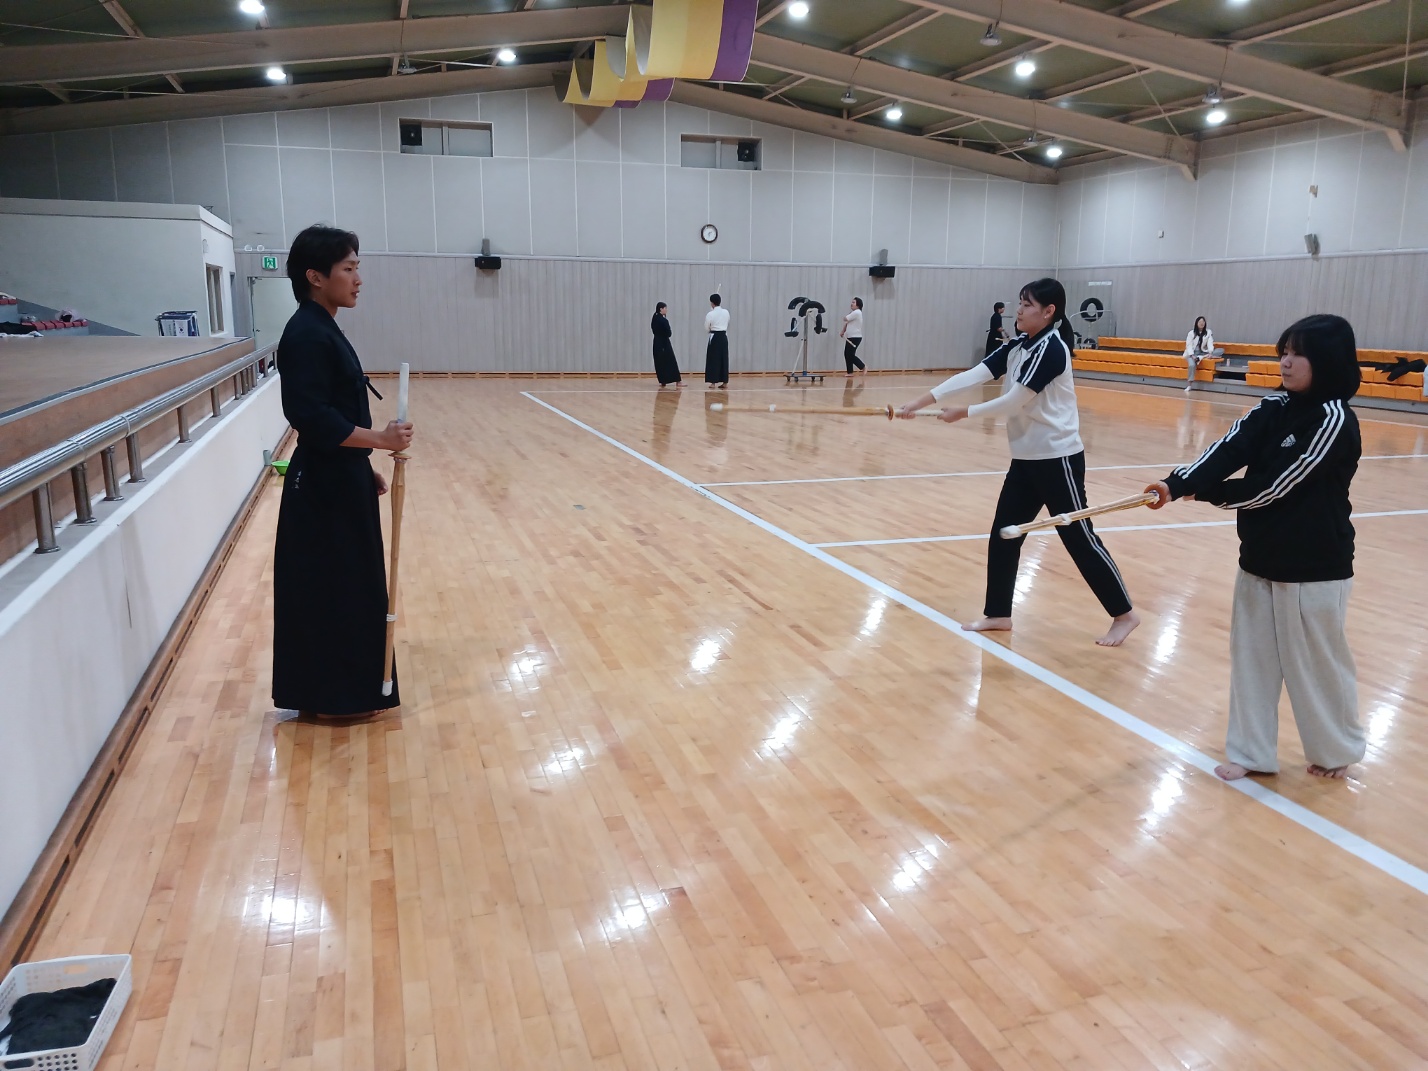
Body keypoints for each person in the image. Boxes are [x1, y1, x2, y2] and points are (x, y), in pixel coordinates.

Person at [1144, 314, 1365, 781]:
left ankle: (1334, 751)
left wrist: (1207, 494)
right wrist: (1175, 483)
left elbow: (1276, 486)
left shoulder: (1333, 421)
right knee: (1252, 660)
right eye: (1284, 352)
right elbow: (1228, 449)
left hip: (1314, 568)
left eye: (1298, 354)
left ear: (1326, 361)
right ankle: (1250, 753)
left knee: (1316, 667)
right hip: (1259, 558)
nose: (1286, 362)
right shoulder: (1273, 406)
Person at [898, 277, 1139, 647]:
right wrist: (919, 402)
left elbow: (1015, 401)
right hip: (1026, 459)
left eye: (1027, 305)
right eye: (1020, 303)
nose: (1019, 311)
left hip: (1057, 458)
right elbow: (974, 375)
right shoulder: (1018, 345)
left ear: (1049, 311)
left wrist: (965, 413)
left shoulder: (1052, 349)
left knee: (1078, 536)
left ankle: (1124, 614)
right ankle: (998, 614)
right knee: (1004, 533)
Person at [272, 225, 414, 723]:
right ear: (316, 276)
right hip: (322, 489)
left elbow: (334, 409)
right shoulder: (306, 334)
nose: (358, 279)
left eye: (358, 268)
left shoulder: (325, 327)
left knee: (351, 584)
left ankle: (348, 691)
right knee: (332, 588)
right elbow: (311, 416)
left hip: (341, 474)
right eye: (348, 269)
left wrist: (362, 462)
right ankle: (331, 697)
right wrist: (379, 440)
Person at [651, 302, 680, 389]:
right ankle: (678, 381)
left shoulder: (654, 318)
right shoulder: (663, 320)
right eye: (665, 308)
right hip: (664, 342)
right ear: (661, 309)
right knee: (671, 361)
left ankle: (662, 381)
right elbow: (669, 333)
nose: (666, 310)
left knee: (659, 362)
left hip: (656, 342)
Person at [1183, 315, 1215, 390]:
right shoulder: (1191, 333)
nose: (1201, 323)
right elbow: (1189, 345)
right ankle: (1189, 384)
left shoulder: (1208, 332)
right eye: (1200, 322)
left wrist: (1210, 352)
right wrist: (1192, 355)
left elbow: (1210, 343)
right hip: (1192, 353)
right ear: (1196, 323)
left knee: (1220, 350)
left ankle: (1203, 356)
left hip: (1202, 352)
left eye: (1203, 322)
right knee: (1192, 365)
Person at [704, 293, 730, 389]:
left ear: (712, 303)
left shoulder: (710, 314)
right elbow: (727, 322)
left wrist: (711, 328)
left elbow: (707, 328)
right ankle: (725, 382)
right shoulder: (726, 312)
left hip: (714, 337)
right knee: (724, 358)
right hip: (723, 337)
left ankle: (713, 382)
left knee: (713, 359)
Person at [840, 297, 866, 377]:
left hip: (855, 337)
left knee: (850, 355)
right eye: (852, 302)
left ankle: (863, 367)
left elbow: (845, 319)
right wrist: (843, 331)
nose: (851, 304)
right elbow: (847, 323)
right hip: (850, 337)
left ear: (858, 305)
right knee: (847, 354)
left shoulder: (857, 312)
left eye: (853, 302)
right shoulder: (853, 313)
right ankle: (850, 372)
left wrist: (847, 316)